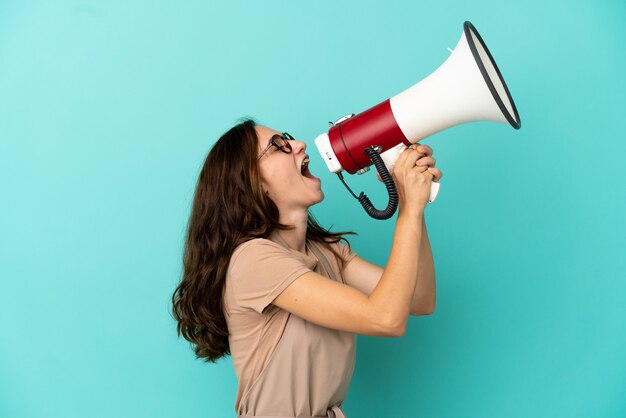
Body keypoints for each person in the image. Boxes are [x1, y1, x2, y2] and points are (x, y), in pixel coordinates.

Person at [171, 118, 442, 418]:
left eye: (290, 140)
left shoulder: (325, 252)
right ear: (251, 183)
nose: (299, 144)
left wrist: (411, 202)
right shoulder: (252, 259)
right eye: (278, 148)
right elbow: (385, 319)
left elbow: (419, 299)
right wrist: (410, 212)